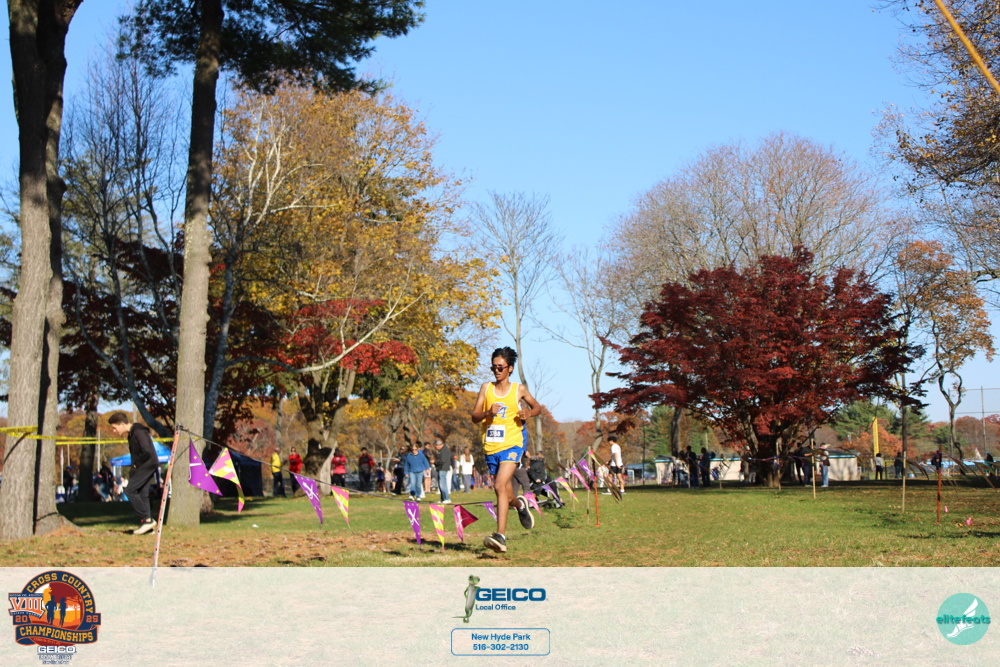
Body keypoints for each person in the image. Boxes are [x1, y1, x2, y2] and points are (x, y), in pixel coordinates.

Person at [471, 346, 539, 554]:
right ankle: (520, 505)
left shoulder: (519, 389)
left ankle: (500, 536)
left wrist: (528, 414)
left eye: (500, 367)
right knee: (506, 495)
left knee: (499, 485)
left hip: (512, 444)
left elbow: (537, 407)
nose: (496, 370)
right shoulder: (486, 388)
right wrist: (487, 413)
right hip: (491, 447)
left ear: (510, 368)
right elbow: (474, 417)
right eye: (493, 367)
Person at [108, 412, 160, 535]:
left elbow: (146, 451)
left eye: (114, 428)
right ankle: (147, 527)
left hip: (147, 464)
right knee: (142, 494)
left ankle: (147, 520)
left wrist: (136, 464)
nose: (114, 431)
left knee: (130, 491)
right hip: (145, 465)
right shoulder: (132, 434)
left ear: (122, 424)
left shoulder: (138, 431)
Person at [433, 439, 453, 503]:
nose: (435, 448)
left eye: (436, 446)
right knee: (440, 484)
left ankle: (447, 498)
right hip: (440, 468)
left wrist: (435, 462)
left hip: (443, 468)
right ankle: (443, 499)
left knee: (442, 484)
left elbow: (442, 460)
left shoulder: (444, 450)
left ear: (439, 445)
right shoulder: (442, 450)